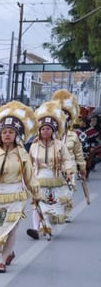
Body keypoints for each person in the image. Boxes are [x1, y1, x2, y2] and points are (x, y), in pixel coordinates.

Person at [0, 101, 40, 271]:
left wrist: (36, 192)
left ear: (16, 134)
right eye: (4, 132)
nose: (7, 135)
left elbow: (29, 175)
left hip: (16, 193)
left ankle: (2, 260)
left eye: (11, 132)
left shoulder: (22, 154)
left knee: (12, 228)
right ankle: (8, 252)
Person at [27, 101, 71, 239]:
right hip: (38, 178)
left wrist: (69, 171)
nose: (45, 131)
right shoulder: (34, 146)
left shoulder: (59, 145)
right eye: (43, 128)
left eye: (48, 128)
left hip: (55, 178)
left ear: (53, 130)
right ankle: (36, 228)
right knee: (37, 204)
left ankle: (46, 226)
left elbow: (67, 159)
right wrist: (27, 178)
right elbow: (29, 163)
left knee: (51, 204)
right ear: (39, 130)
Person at [51, 89, 86, 221]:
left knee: (69, 190)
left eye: (66, 116)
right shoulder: (52, 135)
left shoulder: (74, 136)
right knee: (57, 191)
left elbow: (78, 153)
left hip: (70, 167)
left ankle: (66, 211)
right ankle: (57, 211)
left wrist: (82, 167)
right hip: (55, 167)